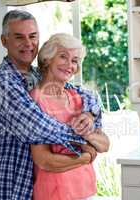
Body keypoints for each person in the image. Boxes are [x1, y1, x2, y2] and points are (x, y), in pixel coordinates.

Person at [0, 10, 102, 200]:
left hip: (28, 189)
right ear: (4, 41)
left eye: (33, 36)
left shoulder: (36, 76)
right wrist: (88, 142)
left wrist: (90, 114)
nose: (28, 44)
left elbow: (83, 94)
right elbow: (37, 127)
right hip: (4, 190)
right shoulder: (2, 82)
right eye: (19, 37)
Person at [30, 33, 110, 200]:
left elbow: (104, 145)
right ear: (47, 60)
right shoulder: (35, 99)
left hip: (85, 188)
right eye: (63, 57)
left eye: (74, 60)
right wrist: (84, 157)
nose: (69, 65)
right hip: (54, 191)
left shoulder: (78, 98)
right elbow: (43, 160)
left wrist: (86, 134)